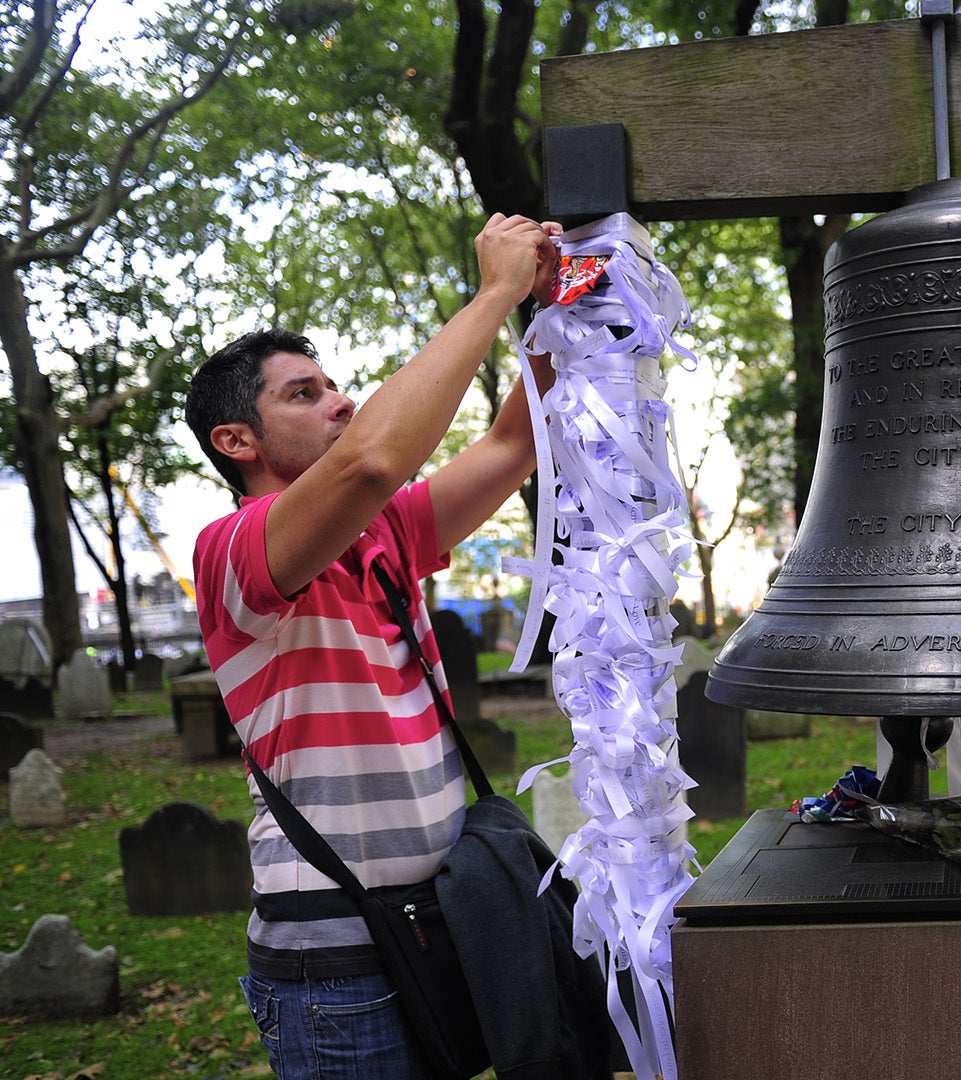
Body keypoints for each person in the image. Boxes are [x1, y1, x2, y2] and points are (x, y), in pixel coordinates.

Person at [184, 213, 559, 1078]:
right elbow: (370, 462)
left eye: (333, 385)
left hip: (439, 928)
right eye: (303, 393)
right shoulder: (232, 550)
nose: (340, 401)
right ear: (237, 442)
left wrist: (561, 306)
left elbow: (514, 443)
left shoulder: (385, 530)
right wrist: (494, 291)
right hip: (337, 970)